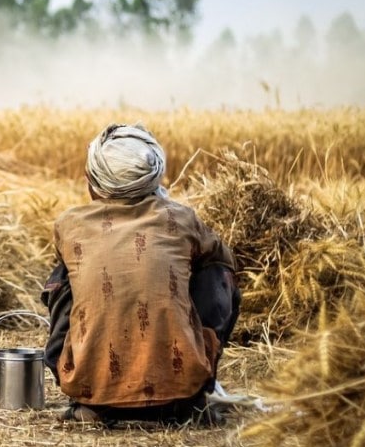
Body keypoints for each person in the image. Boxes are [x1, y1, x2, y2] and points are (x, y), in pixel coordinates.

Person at [40, 123, 240, 425]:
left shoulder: (69, 224)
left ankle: (90, 394)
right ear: (155, 178)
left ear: (91, 182)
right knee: (216, 269)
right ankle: (192, 386)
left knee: (65, 275)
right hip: (181, 396)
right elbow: (226, 263)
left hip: (91, 391)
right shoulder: (183, 219)